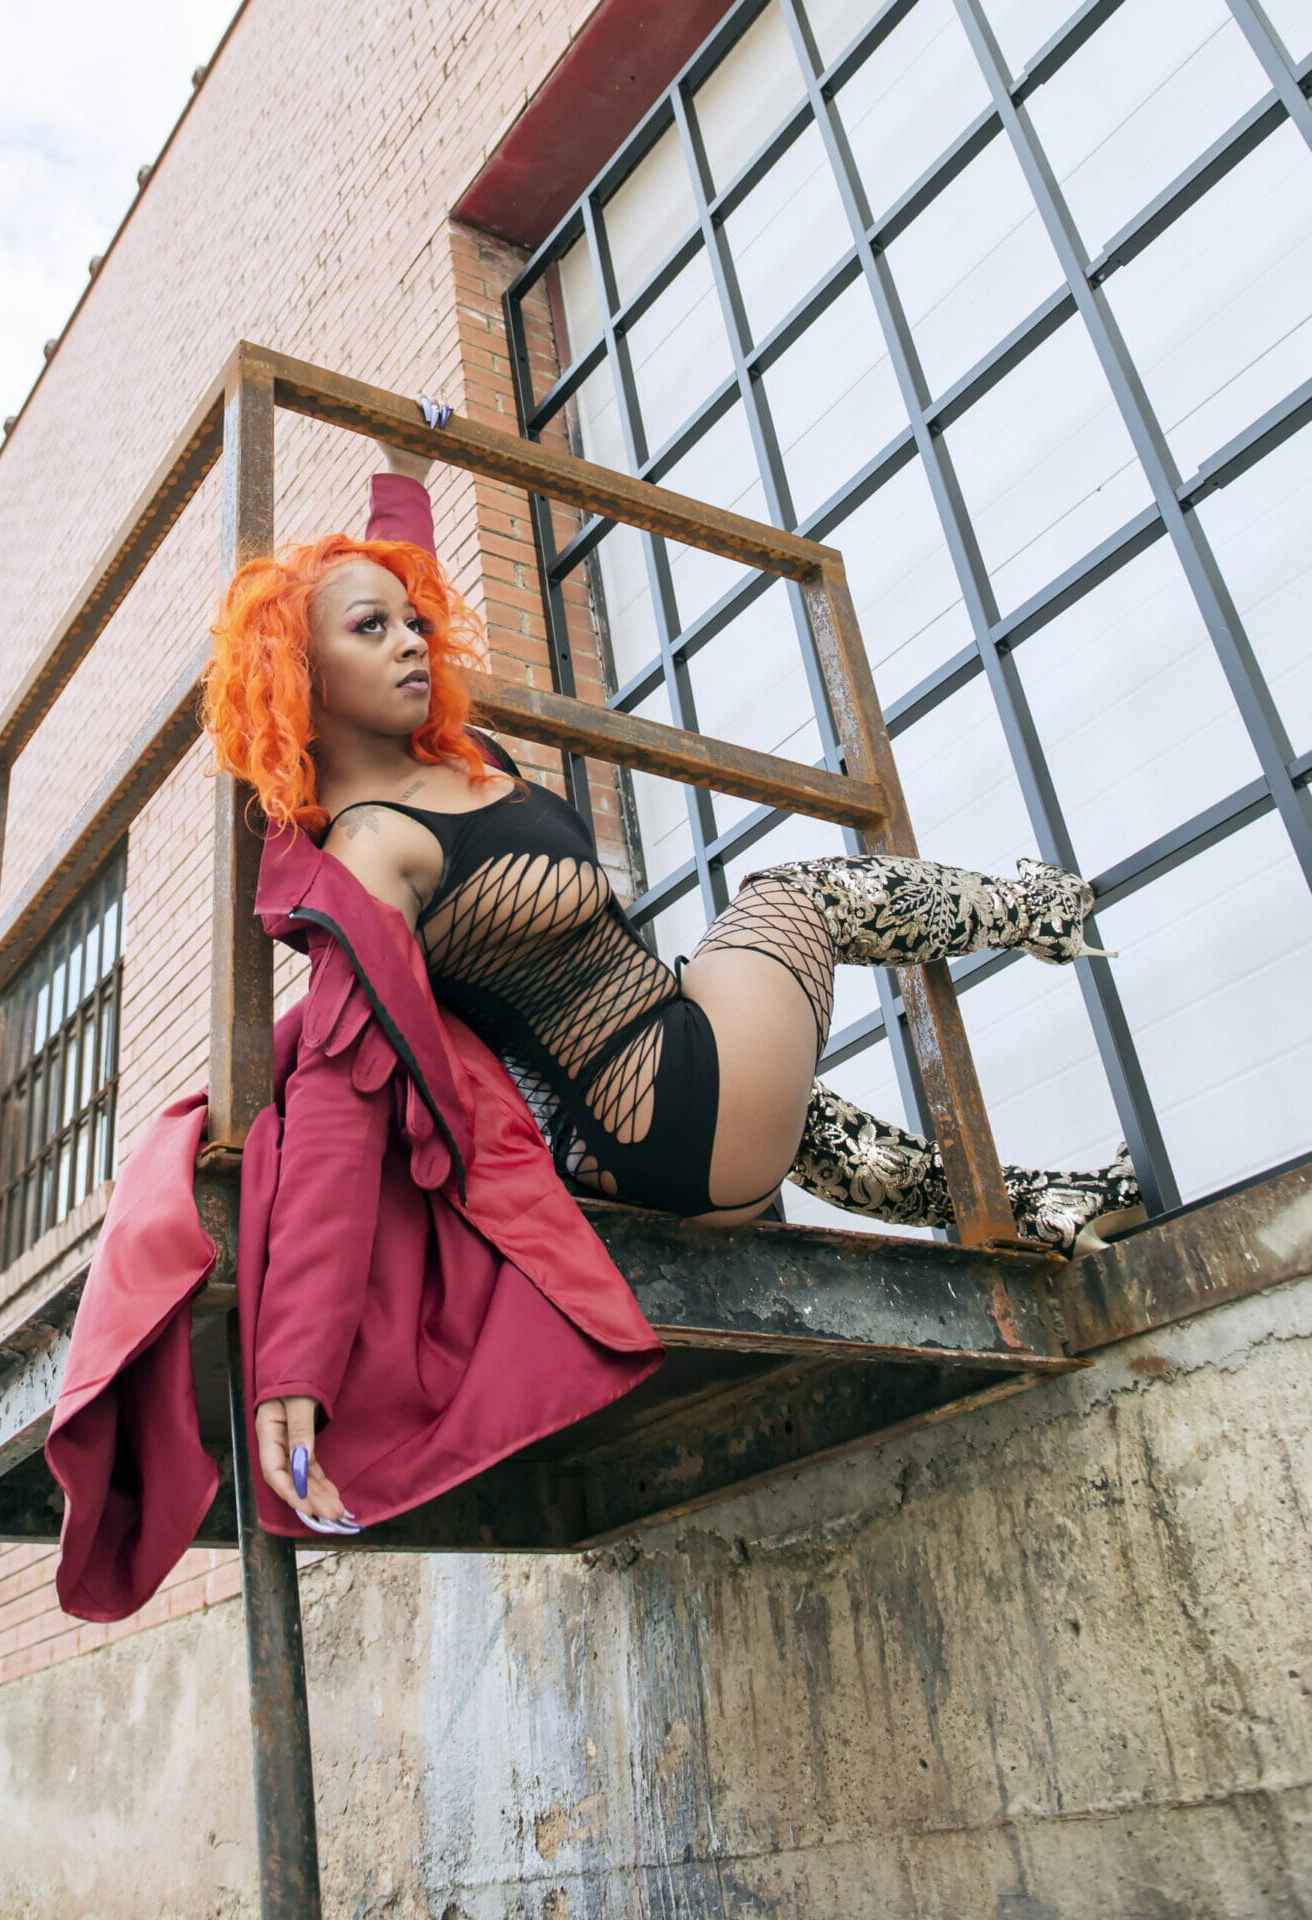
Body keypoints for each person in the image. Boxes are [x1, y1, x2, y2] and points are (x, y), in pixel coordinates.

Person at [201, 396, 1142, 1535]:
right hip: (652, 1119)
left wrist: (404, 467)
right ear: (296, 674)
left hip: (668, 1080)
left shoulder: (456, 753)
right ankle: (1041, 906)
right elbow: (341, 1102)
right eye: (371, 630)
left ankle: (1047, 1205)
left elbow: (406, 584)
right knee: (787, 898)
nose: (409, 640)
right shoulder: (371, 853)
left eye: (414, 623)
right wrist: (295, 1364)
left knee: (814, 1117)